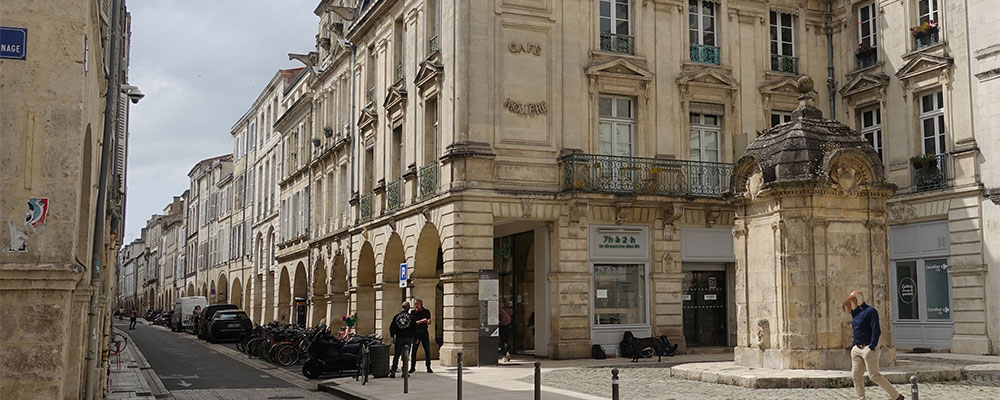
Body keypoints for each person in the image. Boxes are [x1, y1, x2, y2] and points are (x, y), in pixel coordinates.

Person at [843, 290, 903, 400]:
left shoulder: (871, 311)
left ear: (860, 298)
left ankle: (896, 396)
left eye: (853, 299)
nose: (852, 301)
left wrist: (871, 347)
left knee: (874, 376)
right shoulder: (854, 312)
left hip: (868, 348)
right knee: (856, 376)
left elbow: (876, 330)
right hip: (856, 348)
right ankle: (860, 398)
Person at [389, 301, 415, 378]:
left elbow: (392, 328)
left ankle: (393, 370)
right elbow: (414, 328)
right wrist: (415, 337)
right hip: (408, 338)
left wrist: (392, 336)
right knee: (405, 356)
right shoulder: (411, 317)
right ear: (409, 308)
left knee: (396, 355)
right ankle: (404, 372)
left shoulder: (396, 317)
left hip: (399, 338)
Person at [409, 298, 433, 373]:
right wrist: (421, 321)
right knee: (414, 350)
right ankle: (412, 367)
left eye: (417, 304)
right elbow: (413, 323)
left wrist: (428, 321)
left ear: (421, 304)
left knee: (427, 350)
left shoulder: (426, 311)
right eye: (415, 304)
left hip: (424, 332)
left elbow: (429, 321)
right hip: (416, 333)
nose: (416, 305)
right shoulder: (413, 313)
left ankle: (428, 367)